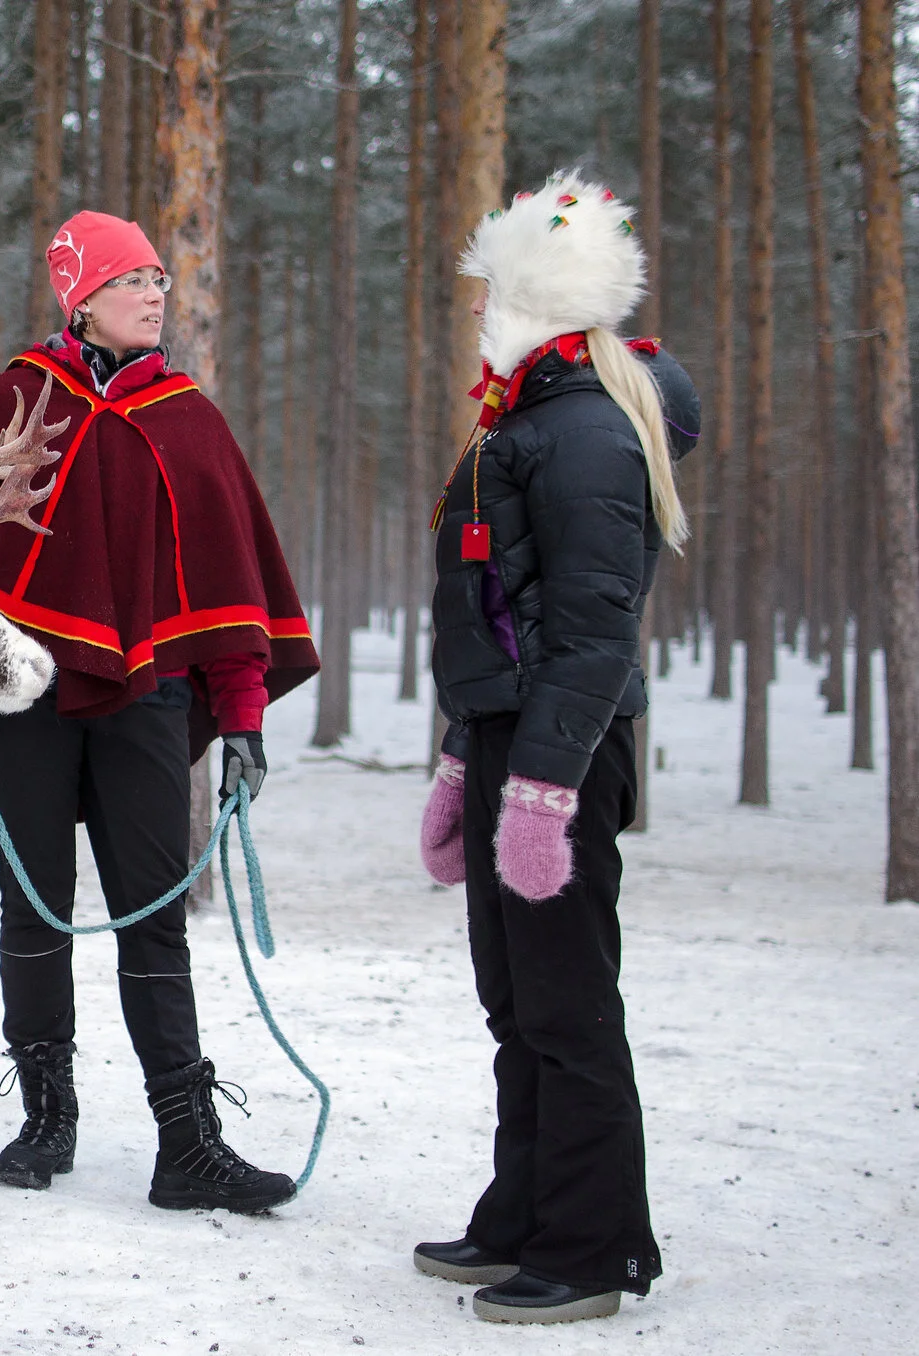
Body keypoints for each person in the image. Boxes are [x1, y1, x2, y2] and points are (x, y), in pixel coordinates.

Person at [0, 210, 318, 1215]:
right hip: (24, 702)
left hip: (150, 702)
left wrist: (241, 722)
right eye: (134, 278)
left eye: (158, 277)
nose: (157, 292)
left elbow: (231, 587)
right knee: (36, 910)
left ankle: (186, 1143)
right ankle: (47, 1115)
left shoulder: (187, 418)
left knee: (154, 919)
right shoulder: (16, 401)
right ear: (84, 296)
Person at [415, 172, 700, 1324]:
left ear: (542, 300)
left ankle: (589, 1248)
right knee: (514, 996)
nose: (480, 309)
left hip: (559, 755)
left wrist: (541, 785)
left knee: (569, 1002)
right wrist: (457, 756)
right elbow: (494, 608)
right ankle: (524, 1213)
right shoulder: (524, 419)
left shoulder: (582, 430)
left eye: (495, 292)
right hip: (508, 738)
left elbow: (589, 622)